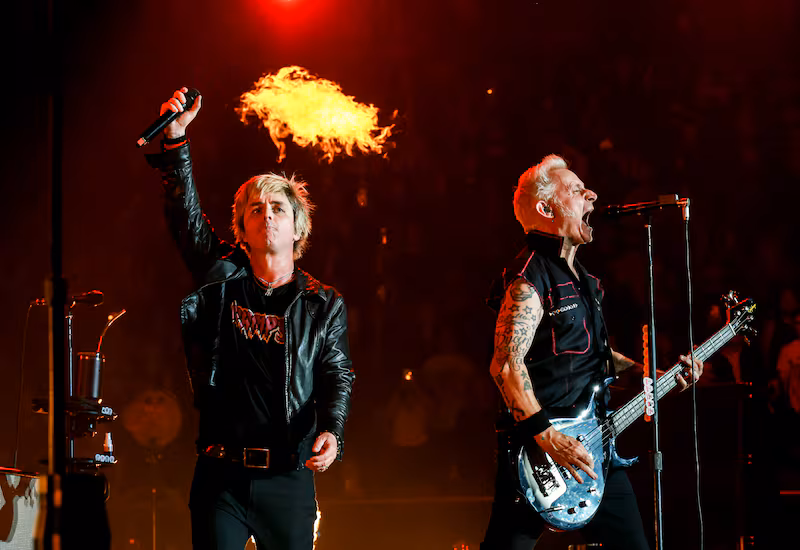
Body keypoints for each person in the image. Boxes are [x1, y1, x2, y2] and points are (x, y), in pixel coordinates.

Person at [144, 88, 355, 550]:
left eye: (278, 208)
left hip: (288, 476)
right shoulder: (222, 277)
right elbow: (186, 218)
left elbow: (336, 371)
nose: (267, 216)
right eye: (255, 210)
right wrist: (176, 140)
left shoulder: (322, 303)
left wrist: (332, 431)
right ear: (240, 229)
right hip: (222, 474)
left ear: (298, 227)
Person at [481, 154, 702, 549]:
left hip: (595, 447)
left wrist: (655, 375)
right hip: (540, 454)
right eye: (576, 189)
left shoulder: (586, 281)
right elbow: (506, 365)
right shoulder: (528, 280)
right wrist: (549, 438)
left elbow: (598, 356)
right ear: (546, 208)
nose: (592, 195)